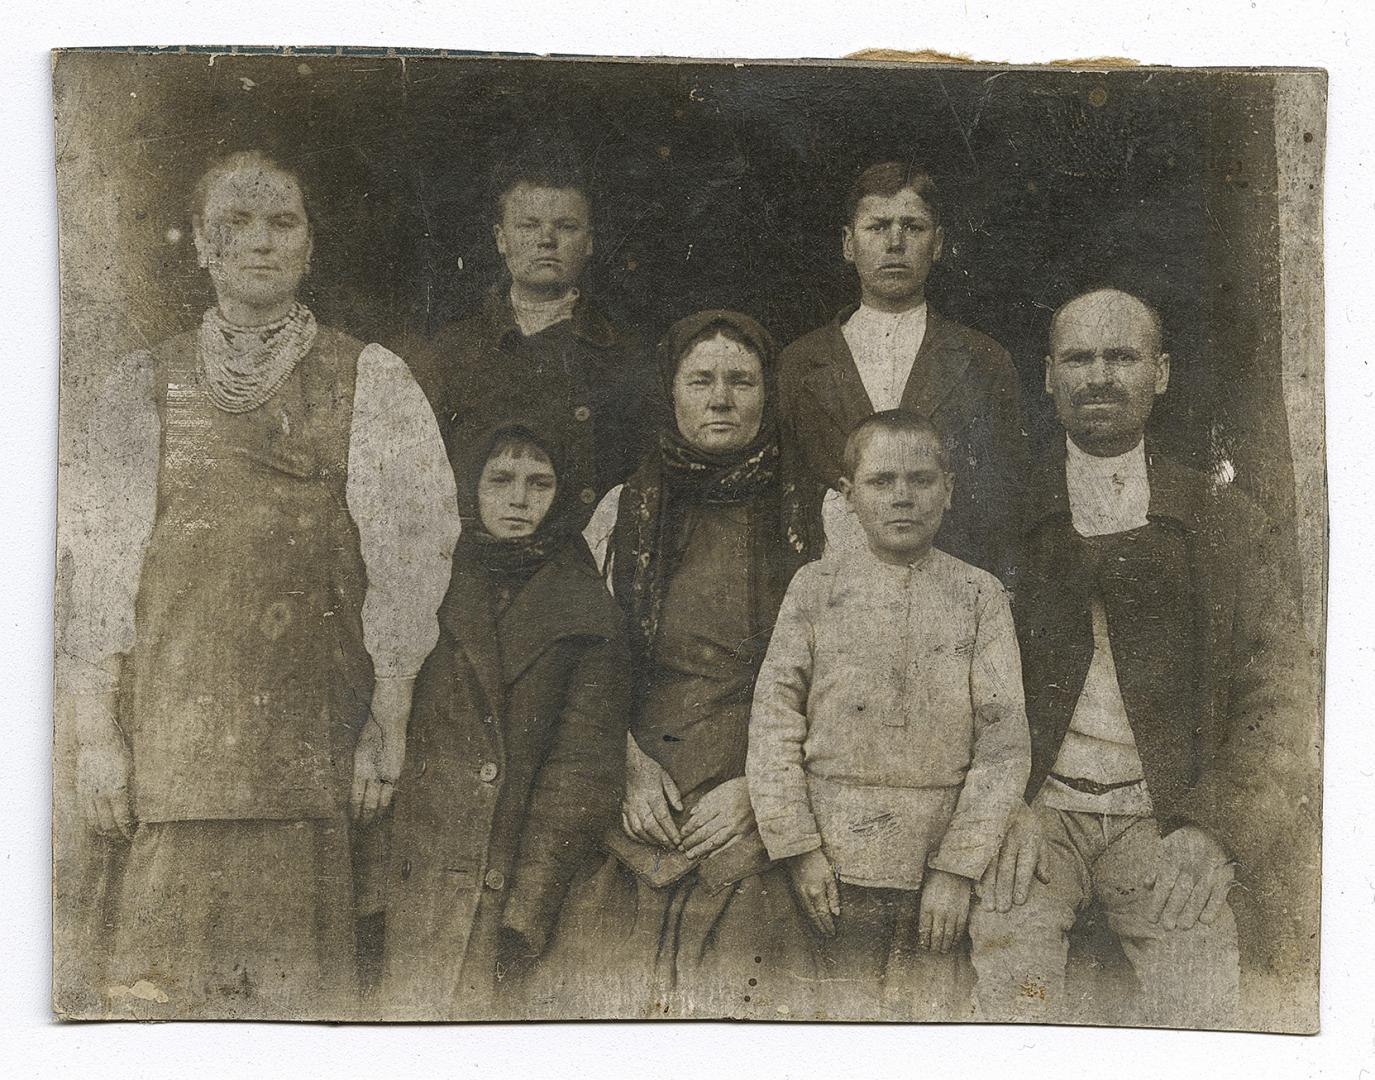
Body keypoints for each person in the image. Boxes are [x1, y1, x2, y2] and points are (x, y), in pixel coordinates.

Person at [56, 149, 461, 1018]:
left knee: (298, 995)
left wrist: (387, 717)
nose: (260, 243)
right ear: (200, 245)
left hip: (309, 743)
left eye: (283, 223)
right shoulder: (141, 386)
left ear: (311, 245)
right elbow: (96, 577)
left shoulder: (372, 380)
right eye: (234, 224)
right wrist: (97, 737)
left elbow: (412, 555)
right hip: (175, 742)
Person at [968, 287, 1315, 1028]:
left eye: (1121, 356)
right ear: (1048, 376)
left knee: (1198, 999)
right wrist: (995, 810)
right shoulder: (998, 515)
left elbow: (1278, 699)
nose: (1099, 376)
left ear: (1160, 373)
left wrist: (1214, 827)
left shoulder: (1221, 520)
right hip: (1034, 817)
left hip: (1163, 820)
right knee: (1011, 997)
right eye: (1078, 358)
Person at [538, 310, 818, 1019]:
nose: (720, 399)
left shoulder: (820, 517)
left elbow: (842, 688)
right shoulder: (620, 512)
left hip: (753, 802)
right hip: (641, 800)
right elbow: (580, 668)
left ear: (767, 394)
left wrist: (761, 792)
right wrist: (624, 766)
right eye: (700, 380)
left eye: (740, 380)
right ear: (670, 393)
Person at [748, 410, 1030, 1021]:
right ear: (849, 497)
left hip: (938, 869)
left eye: (921, 479)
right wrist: (799, 849)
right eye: (880, 482)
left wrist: (959, 869)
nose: (902, 497)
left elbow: (1004, 747)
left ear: (949, 490)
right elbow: (774, 724)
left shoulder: (979, 595)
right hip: (826, 867)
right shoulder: (814, 588)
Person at [378, 422, 630, 1020]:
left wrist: (525, 912)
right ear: (469, 487)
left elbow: (579, 777)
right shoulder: (421, 586)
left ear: (565, 496)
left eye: (540, 483)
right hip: (413, 870)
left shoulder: (589, 612)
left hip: (505, 876)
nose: (519, 500)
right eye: (500, 480)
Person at [777, 161, 1028, 580]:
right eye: (877, 227)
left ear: (938, 243)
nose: (895, 242)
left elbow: (1004, 505)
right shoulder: (801, 363)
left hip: (950, 595)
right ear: (848, 243)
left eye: (913, 227)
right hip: (835, 593)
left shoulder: (984, 360)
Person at [414, 151, 657, 531]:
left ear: (589, 242)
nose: (547, 240)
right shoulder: (451, 353)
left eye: (566, 226)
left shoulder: (625, 356)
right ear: (501, 239)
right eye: (528, 225)